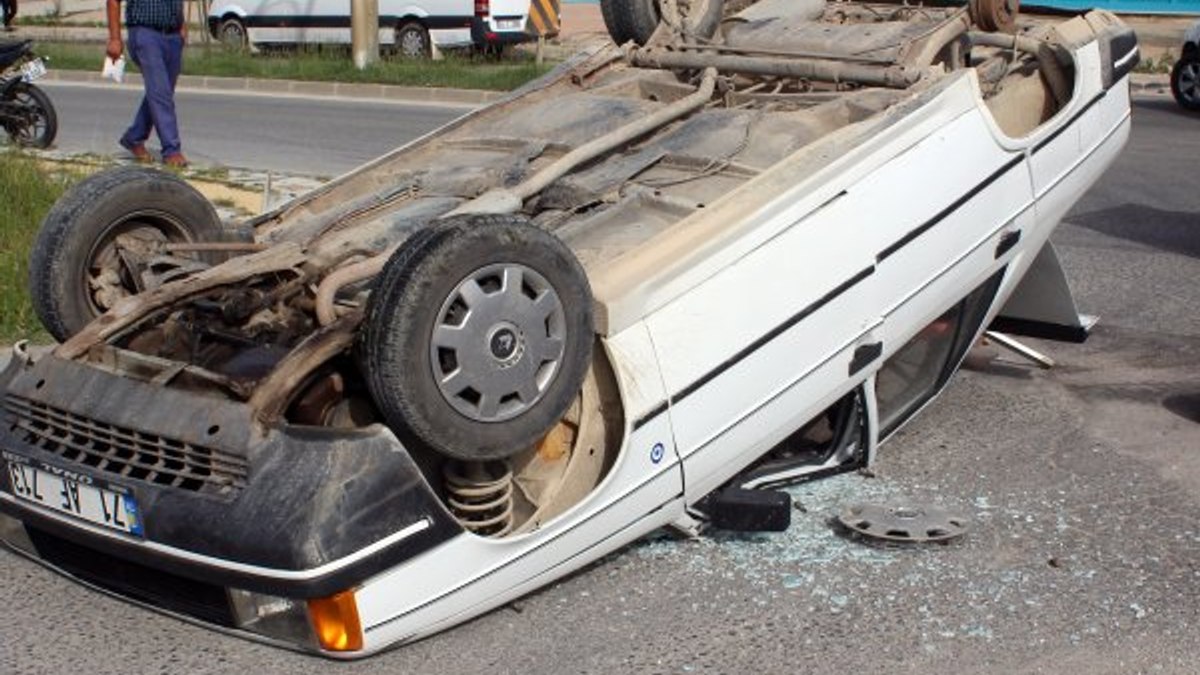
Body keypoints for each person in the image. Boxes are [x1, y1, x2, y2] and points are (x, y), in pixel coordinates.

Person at [106, 0, 188, 167]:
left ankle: (134, 137)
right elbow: (113, 2)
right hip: (145, 34)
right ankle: (171, 150)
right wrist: (115, 38)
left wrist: (182, 25)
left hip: (173, 36)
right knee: (160, 93)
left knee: (161, 92)